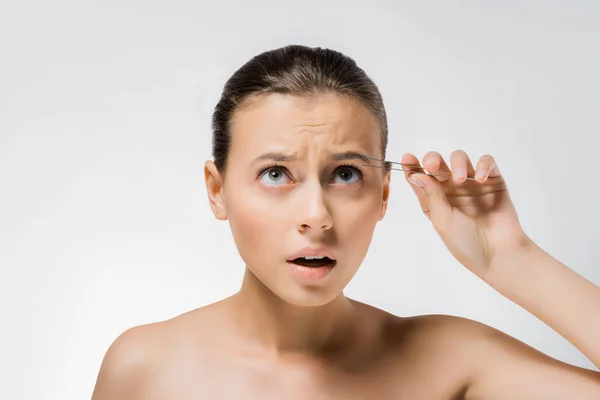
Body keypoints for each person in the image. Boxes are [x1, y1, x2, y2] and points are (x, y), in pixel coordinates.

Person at [91, 45, 600, 399]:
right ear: (217, 190)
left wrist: (513, 259)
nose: (316, 216)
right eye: (275, 173)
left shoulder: (447, 360)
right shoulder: (145, 369)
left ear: (383, 194)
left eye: (346, 174)